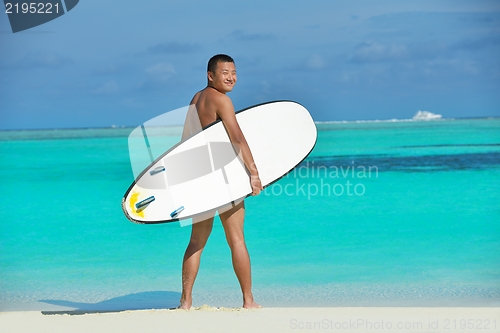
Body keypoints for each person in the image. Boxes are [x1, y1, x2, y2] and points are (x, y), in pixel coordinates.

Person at [178, 54, 263, 309]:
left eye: (234, 72)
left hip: (200, 178)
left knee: (196, 241)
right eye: (225, 72)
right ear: (210, 75)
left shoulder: (196, 98)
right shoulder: (222, 100)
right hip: (223, 179)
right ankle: (248, 301)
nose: (231, 77)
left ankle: (185, 301)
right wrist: (253, 172)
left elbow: (186, 140)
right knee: (236, 239)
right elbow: (237, 138)